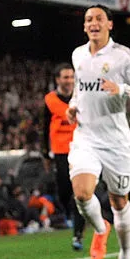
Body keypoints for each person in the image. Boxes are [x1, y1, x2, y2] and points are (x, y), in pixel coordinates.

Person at [65, 5, 130, 259]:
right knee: (82, 194)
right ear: (84, 26)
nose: (93, 23)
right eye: (88, 19)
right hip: (86, 137)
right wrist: (72, 106)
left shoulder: (124, 57)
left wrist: (122, 89)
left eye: (99, 19)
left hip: (116, 142)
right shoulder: (78, 55)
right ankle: (101, 229)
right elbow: (80, 88)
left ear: (110, 25)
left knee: (119, 201)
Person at [44, 62, 84, 249]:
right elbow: (44, 128)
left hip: (81, 149)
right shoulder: (50, 100)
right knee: (64, 189)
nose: (69, 80)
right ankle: (69, 213)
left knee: (79, 191)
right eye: (66, 77)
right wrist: (45, 153)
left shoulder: (82, 97)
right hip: (60, 151)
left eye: (71, 76)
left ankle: (78, 234)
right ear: (58, 80)